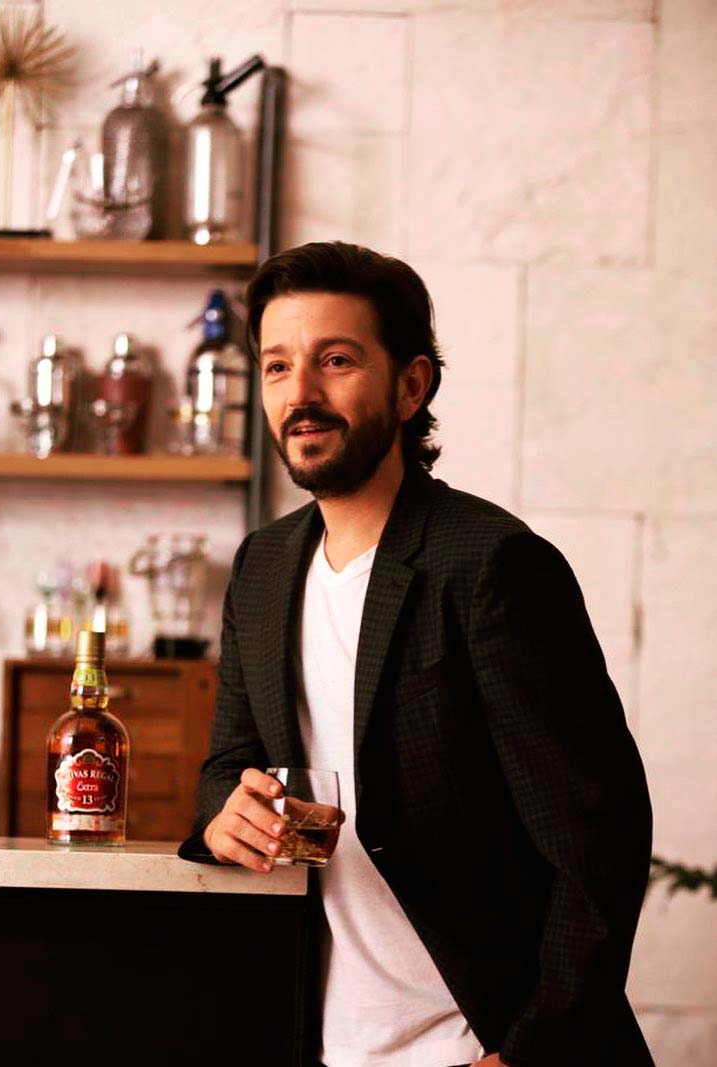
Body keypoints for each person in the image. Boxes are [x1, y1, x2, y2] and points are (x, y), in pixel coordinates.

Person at [178, 241, 655, 1067]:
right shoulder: (261, 566)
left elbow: (599, 841)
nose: (301, 394)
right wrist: (228, 814)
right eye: (278, 366)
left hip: (476, 1043)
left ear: (410, 386)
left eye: (336, 360)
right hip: (319, 1038)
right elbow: (229, 763)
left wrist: (528, 1053)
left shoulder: (491, 565)